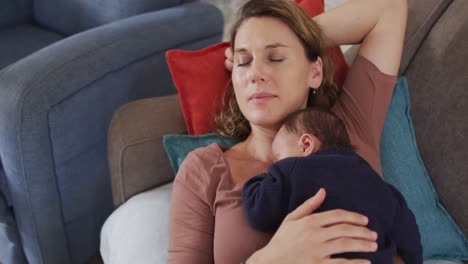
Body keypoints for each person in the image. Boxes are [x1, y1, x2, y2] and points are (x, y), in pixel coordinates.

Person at [168, 0, 409, 263]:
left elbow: (390, 9)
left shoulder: (350, 126)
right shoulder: (204, 169)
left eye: (276, 57)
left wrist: (297, 33)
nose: (255, 73)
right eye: (244, 61)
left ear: (314, 72)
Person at [242, 107, 423, 264]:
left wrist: (261, 177)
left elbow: (258, 210)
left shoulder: (294, 169)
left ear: (306, 145)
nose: (274, 164)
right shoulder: (380, 184)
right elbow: (409, 233)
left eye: (277, 157)